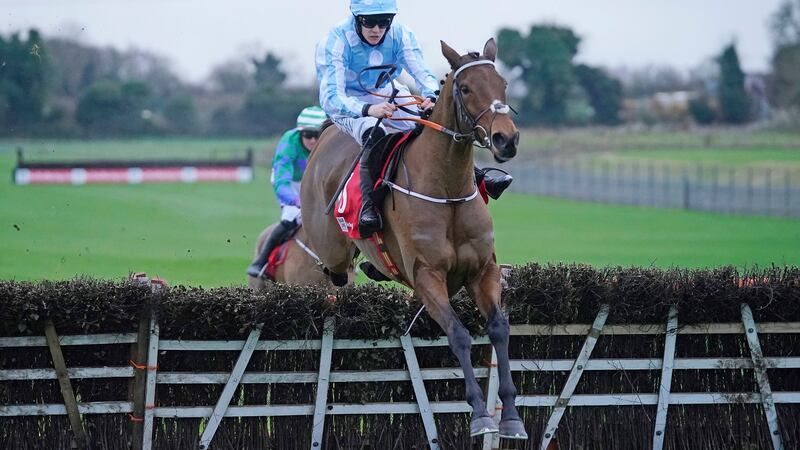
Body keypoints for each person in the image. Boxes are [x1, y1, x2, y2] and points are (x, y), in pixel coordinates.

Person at [315, 0, 512, 237]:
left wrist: (431, 95)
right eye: (369, 22)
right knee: (375, 133)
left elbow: (422, 72)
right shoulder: (336, 41)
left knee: (428, 124)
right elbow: (331, 97)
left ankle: (479, 177)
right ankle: (368, 206)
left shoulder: (400, 34)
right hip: (348, 102)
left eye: (384, 22)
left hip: (386, 90)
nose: (377, 29)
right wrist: (368, 109)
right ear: (356, 19)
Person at [246, 106, 327, 278]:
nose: (313, 140)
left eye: (317, 134)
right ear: (300, 133)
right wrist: (295, 200)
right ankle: (261, 262)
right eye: (308, 135)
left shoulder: (328, 143)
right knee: (292, 217)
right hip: (291, 183)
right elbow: (282, 181)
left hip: (314, 182)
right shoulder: (289, 143)